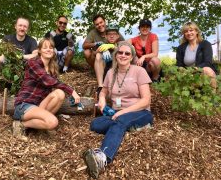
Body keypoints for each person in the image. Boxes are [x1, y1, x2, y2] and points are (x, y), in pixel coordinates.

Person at [83, 41, 153, 179]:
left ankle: (102, 158)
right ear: (115, 55)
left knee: (119, 121)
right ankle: (128, 127)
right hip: (116, 113)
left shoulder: (140, 71)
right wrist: (102, 100)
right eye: (120, 52)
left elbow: (146, 100)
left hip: (140, 112)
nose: (123, 55)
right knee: (95, 124)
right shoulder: (110, 73)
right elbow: (103, 92)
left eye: (127, 53)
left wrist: (122, 112)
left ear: (132, 56)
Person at [12, 38, 80, 137]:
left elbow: (54, 85)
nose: (48, 49)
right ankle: (21, 124)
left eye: (51, 47)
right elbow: (48, 80)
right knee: (53, 122)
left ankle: (41, 125)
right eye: (45, 48)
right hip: (25, 105)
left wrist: (67, 92)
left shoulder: (52, 68)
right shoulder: (33, 63)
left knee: (60, 93)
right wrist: (71, 91)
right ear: (39, 50)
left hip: (39, 105)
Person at [176, 21, 218, 89]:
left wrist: (193, 70)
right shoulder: (180, 48)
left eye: (191, 30)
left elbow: (208, 62)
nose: (189, 33)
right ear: (184, 34)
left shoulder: (205, 44)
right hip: (188, 75)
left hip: (203, 73)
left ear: (196, 32)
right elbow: (179, 65)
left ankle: (212, 96)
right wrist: (184, 72)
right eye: (186, 31)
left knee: (207, 69)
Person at [94, 27, 123, 97]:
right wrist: (101, 50)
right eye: (109, 34)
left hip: (119, 74)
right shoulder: (103, 45)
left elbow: (125, 52)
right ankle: (100, 86)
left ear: (118, 36)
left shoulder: (121, 44)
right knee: (98, 55)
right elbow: (94, 53)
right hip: (105, 72)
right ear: (106, 36)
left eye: (114, 34)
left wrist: (113, 46)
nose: (112, 36)